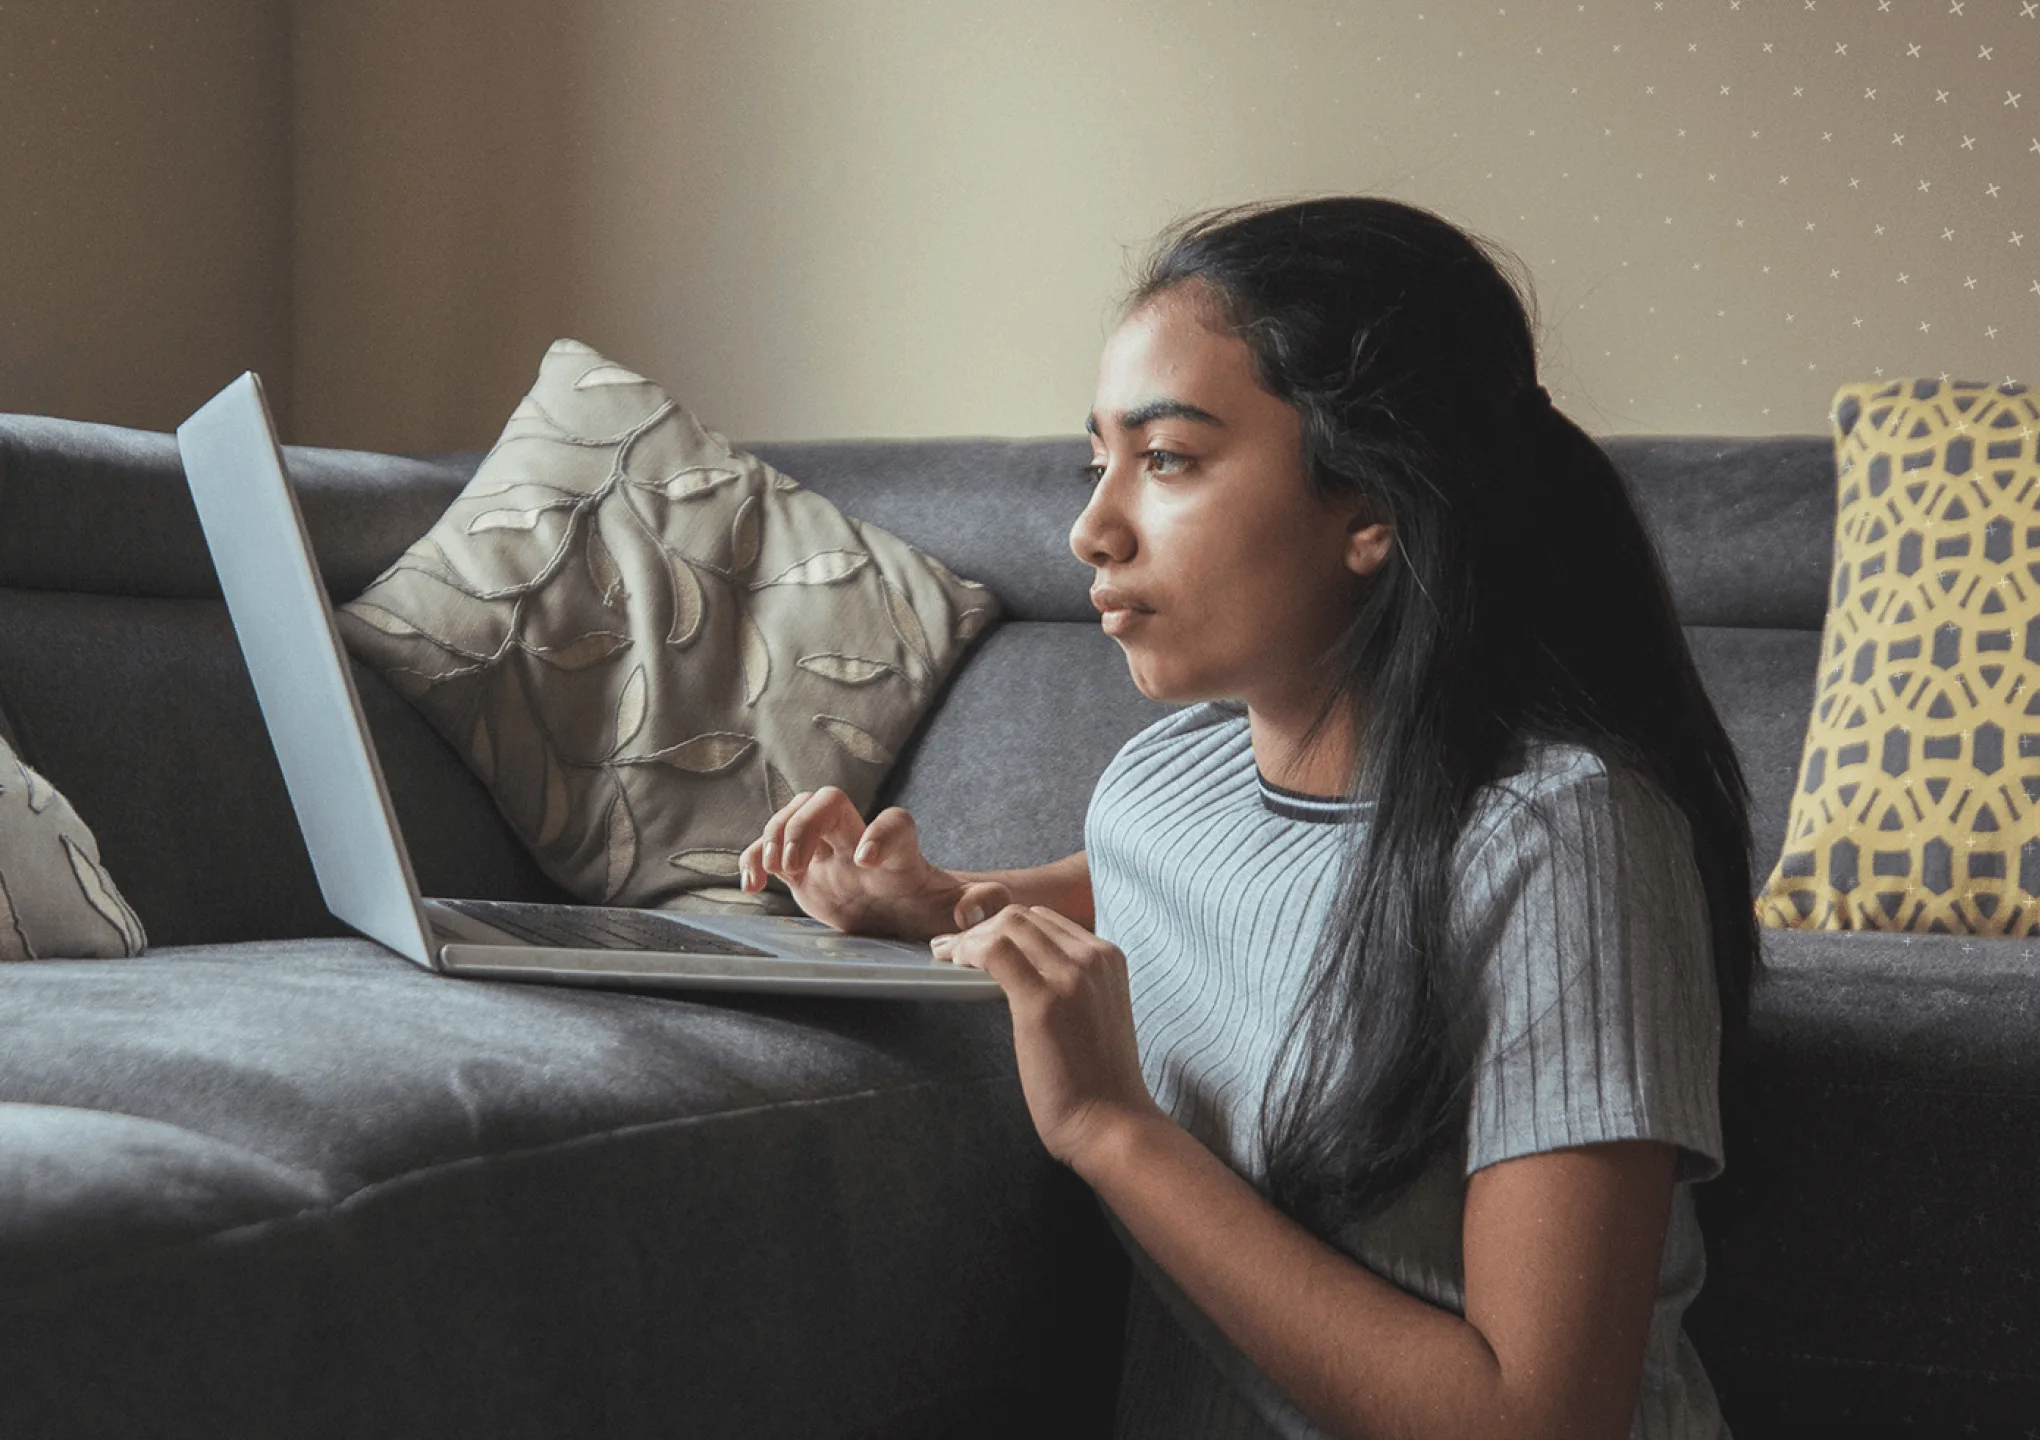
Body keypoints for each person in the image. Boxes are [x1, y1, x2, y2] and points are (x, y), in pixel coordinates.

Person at [737, 196, 1758, 1440]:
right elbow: (1160, 894)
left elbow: (1537, 1420)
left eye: (1165, 459)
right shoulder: (1167, 779)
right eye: (1095, 461)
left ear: (1373, 505)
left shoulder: (1564, 843)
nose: (1089, 528)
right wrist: (924, 902)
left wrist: (1113, 1130)